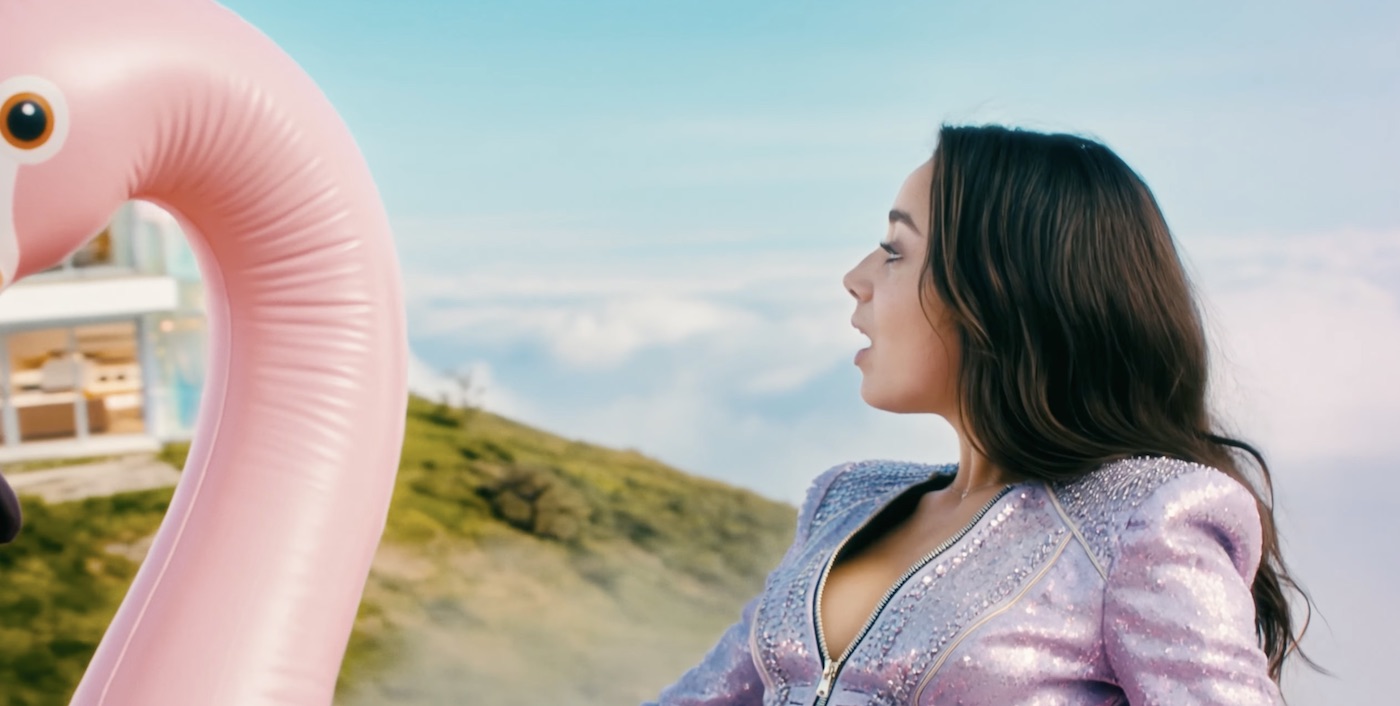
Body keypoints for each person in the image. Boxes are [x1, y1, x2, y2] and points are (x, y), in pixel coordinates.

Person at [644, 124, 1313, 705]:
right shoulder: (844, 504)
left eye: (897, 250)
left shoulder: (1144, 520)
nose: (857, 276)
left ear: (1004, 291)